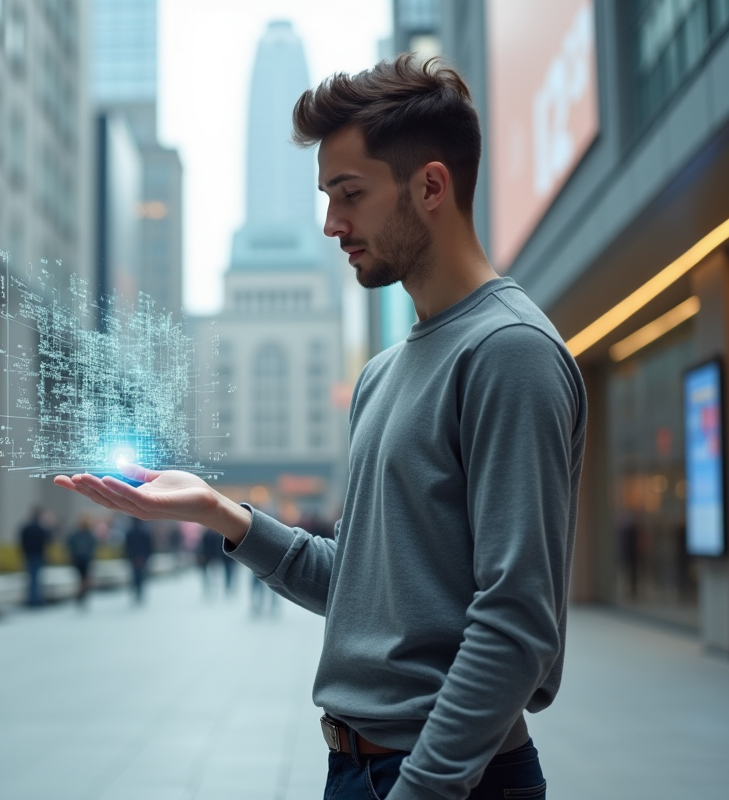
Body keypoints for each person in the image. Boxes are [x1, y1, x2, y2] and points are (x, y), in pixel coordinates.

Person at [57, 56, 585, 800]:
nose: (332, 223)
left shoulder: (509, 354)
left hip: (450, 779)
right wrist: (221, 513)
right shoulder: (382, 373)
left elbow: (517, 619)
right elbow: (365, 585)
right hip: (358, 766)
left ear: (431, 186)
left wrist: (421, 789)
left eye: (350, 194)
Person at [19, 507, 51, 607]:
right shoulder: (41, 528)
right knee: (37, 578)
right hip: (38, 555)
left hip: (29, 554)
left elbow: (22, 540)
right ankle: (36, 600)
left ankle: (32, 599)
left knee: (32, 578)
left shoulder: (26, 527)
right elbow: (47, 541)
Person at [66, 513, 97, 607]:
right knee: (84, 578)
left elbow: (70, 543)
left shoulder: (76, 533)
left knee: (81, 578)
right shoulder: (88, 534)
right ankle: (81, 594)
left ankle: (81, 595)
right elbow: (93, 545)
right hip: (85, 559)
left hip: (78, 558)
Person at [123, 516, 153, 604]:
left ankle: (137, 591)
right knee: (141, 575)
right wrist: (146, 556)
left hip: (134, 557)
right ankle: (139, 591)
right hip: (142, 558)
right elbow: (149, 546)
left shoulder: (129, 532)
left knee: (135, 575)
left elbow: (127, 547)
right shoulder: (145, 532)